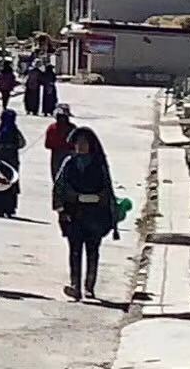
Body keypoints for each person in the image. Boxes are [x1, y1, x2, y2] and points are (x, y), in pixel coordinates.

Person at [52, 126, 119, 301]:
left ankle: (89, 287)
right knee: (75, 251)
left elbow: (107, 190)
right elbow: (59, 187)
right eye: (78, 143)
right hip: (74, 214)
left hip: (94, 216)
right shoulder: (69, 163)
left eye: (84, 143)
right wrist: (62, 208)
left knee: (92, 251)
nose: (80, 146)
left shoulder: (99, 165)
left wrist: (102, 203)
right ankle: (75, 285)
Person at [0, 109, 26, 218]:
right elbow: (22, 143)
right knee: (10, 184)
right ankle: (9, 209)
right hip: (11, 162)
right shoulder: (15, 132)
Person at [45, 104, 77, 178]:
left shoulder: (52, 128)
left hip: (59, 154)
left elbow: (47, 144)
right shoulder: (72, 128)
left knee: (58, 175)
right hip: (66, 154)